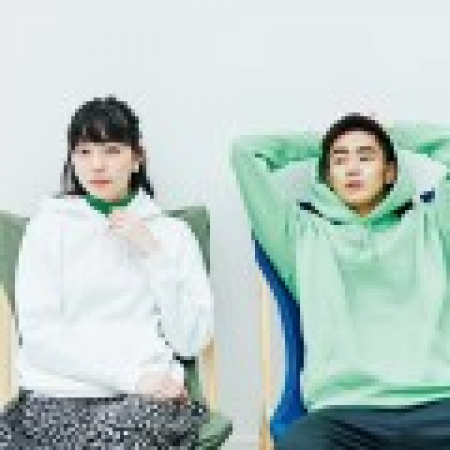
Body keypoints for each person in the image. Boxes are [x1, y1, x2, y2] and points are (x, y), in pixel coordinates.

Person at [0, 96, 213, 448]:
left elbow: (190, 341)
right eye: (84, 152)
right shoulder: (48, 229)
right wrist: (132, 377)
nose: (97, 165)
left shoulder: (172, 235)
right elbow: (40, 339)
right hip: (57, 395)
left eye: (112, 151)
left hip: (144, 402)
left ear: (138, 157)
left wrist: (152, 254)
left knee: (118, 435)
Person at [232, 114, 450, 449]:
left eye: (366, 157)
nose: (352, 168)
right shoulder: (299, 236)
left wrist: (391, 134)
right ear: (326, 174)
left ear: (390, 172)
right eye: (339, 159)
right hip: (342, 414)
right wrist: (323, 142)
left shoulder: (433, 226)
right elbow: (245, 153)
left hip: (437, 404)